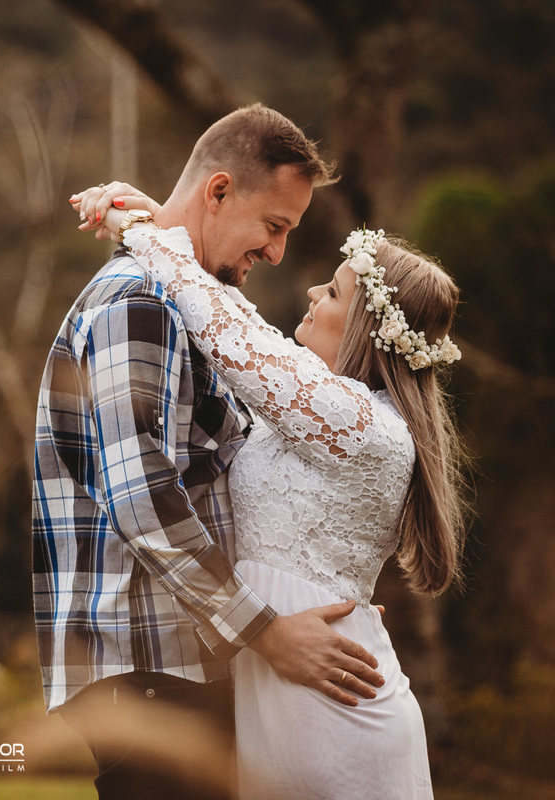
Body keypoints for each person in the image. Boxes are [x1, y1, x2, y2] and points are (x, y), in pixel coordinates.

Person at [32, 104, 385, 800]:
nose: (278, 253)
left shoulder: (179, 301)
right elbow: (143, 496)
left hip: (172, 665)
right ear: (218, 191)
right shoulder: (138, 302)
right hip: (150, 668)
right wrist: (267, 633)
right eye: (274, 227)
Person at [83, 198, 467, 795]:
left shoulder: (356, 423)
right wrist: (167, 219)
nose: (314, 291)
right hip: (292, 675)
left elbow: (219, 322)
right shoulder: (337, 409)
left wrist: (134, 226)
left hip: (327, 704)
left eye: (334, 292)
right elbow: (235, 315)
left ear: (365, 329)